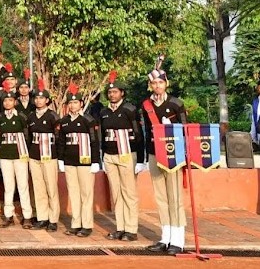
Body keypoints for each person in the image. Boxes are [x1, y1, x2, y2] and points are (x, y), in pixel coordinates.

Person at [143, 65, 187, 255]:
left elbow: (186, 129)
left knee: (175, 197)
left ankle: (178, 240)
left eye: (160, 82)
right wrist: (144, 157)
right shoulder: (146, 106)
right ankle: (166, 237)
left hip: (174, 155)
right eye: (154, 83)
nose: (157, 86)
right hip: (154, 153)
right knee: (161, 198)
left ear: (166, 84)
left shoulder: (176, 104)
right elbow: (145, 132)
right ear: (150, 85)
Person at [100, 71, 145, 242]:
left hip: (127, 154)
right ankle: (120, 227)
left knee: (129, 192)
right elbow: (101, 135)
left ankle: (131, 229)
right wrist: (102, 158)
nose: (112, 94)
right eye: (110, 92)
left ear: (122, 93)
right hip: (110, 156)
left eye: (115, 91)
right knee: (116, 193)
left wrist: (140, 160)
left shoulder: (130, 109)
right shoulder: (104, 112)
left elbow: (139, 135)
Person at [57, 87, 100, 237]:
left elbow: (94, 142)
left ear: (81, 103)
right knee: (73, 193)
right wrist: (61, 160)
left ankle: (87, 225)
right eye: (71, 103)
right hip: (69, 162)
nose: (73, 105)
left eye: (76, 102)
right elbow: (61, 142)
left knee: (86, 193)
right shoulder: (64, 121)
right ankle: (76, 223)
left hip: (85, 162)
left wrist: (96, 161)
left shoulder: (88, 120)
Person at [0, 91, 33, 228]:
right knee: (8, 186)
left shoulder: (22, 117)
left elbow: (28, 135)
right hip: (5, 155)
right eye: (5, 101)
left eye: (10, 100)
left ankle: (27, 216)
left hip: (20, 155)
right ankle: (8, 216)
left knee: (23, 186)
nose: (7, 103)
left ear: (15, 102)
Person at [27, 80, 60, 231]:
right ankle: (42, 217)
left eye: (42, 98)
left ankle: (53, 219)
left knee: (51, 188)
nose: (38, 100)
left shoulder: (53, 116)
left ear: (47, 100)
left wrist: (59, 157)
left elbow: (59, 136)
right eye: (37, 98)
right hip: (34, 156)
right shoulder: (31, 116)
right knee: (38, 188)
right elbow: (28, 136)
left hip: (49, 156)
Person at [251, 79, 260, 150]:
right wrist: (253, 137)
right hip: (259, 130)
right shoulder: (255, 101)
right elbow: (253, 119)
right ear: (257, 88)